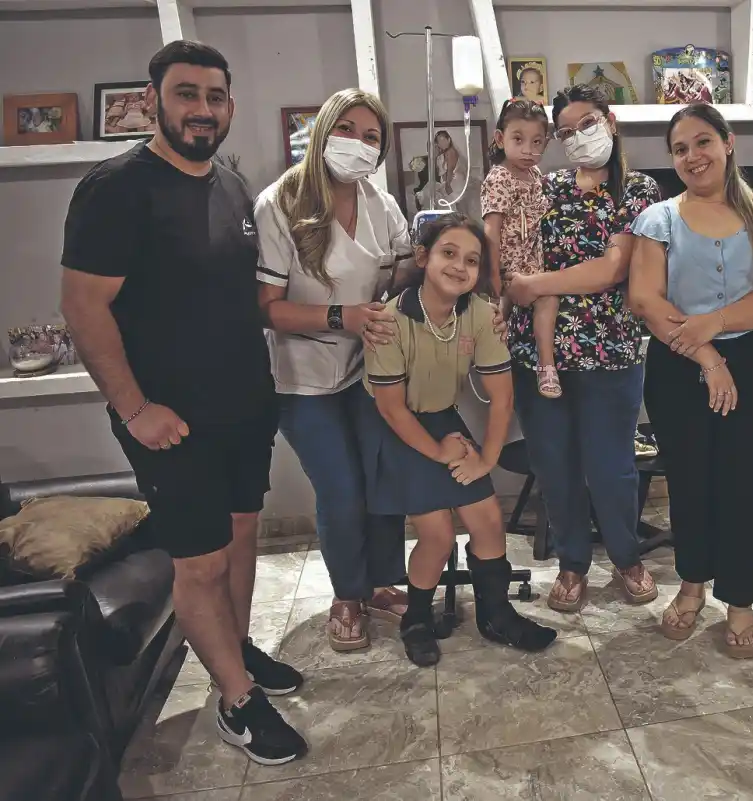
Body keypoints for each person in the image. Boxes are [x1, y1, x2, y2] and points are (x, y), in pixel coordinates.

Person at [59, 40, 307, 765]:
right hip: (169, 423)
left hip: (242, 406)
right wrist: (135, 408)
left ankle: (237, 648)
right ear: (153, 101)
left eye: (215, 97)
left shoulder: (229, 182)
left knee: (239, 539)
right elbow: (82, 308)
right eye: (187, 94)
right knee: (197, 565)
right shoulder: (116, 188)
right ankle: (235, 701)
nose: (203, 109)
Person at [628, 104, 753, 658]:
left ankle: (741, 598)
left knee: (746, 487)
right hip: (679, 365)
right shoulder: (658, 219)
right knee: (690, 482)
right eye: (680, 149)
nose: (692, 156)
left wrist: (720, 324)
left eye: (702, 142)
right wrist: (707, 355)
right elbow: (645, 299)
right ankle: (693, 584)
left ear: (729, 143)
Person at [360, 213, 558, 666]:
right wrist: (437, 451)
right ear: (424, 257)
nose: (459, 266)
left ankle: (496, 614)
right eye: (448, 253)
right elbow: (390, 408)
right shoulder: (391, 320)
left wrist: (485, 459)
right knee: (437, 535)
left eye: (471, 260)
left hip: (442, 419)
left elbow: (502, 396)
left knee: (489, 520)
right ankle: (416, 619)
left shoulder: (482, 315)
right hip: (397, 427)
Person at [255, 88, 412, 653]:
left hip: (370, 370)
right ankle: (348, 593)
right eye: (346, 130)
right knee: (341, 490)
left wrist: (437, 257)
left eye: (371, 137)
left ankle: (380, 583)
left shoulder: (382, 204)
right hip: (303, 378)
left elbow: (398, 273)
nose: (359, 145)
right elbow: (267, 307)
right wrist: (339, 316)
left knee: (380, 478)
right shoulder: (279, 203)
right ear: (321, 132)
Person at [504, 84, 661, 612]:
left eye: (586, 124)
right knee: (554, 465)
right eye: (566, 133)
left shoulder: (639, 191)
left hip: (610, 352)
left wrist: (538, 284)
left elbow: (612, 270)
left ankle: (626, 556)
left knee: (612, 465)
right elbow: (511, 244)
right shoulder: (543, 187)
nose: (577, 139)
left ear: (610, 121)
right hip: (539, 356)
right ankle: (572, 564)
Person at [481, 98, 558, 397]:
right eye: (518, 139)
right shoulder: (499, 177)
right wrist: (494, 278)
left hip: (534, 263)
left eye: (537, 141)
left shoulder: (536, 176)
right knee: (503, 319)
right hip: (510, 266)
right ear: (501, 139)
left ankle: (535, 366)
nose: (528, 149)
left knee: (535, 306)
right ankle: (534, 369)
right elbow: (491, 230)